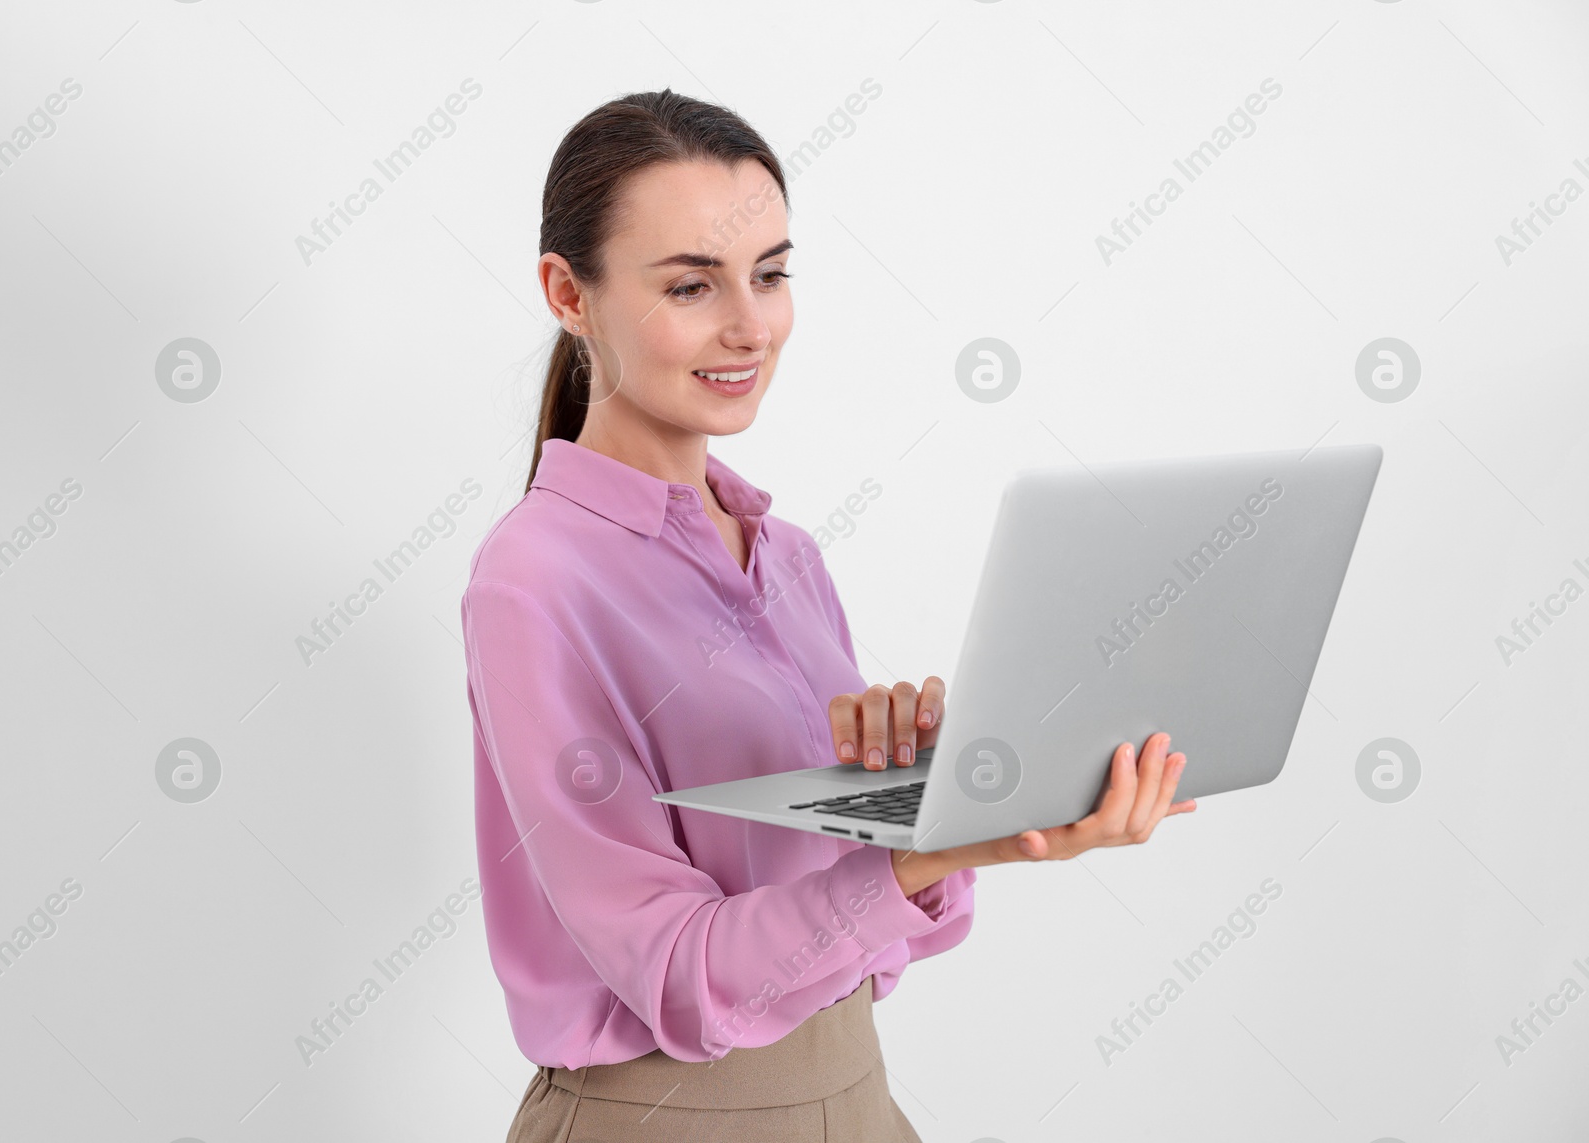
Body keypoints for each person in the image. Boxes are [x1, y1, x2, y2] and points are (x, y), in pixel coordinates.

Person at [461, 88, 1197, 1142]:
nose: (749, 325)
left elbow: (883, 942)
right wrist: (916, 859)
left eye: (768, 274)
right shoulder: (532, 578)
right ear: (567, 294)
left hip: (856, 1098)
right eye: (689, 285)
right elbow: (674, 972)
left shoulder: (787, 557)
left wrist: (936, 801)